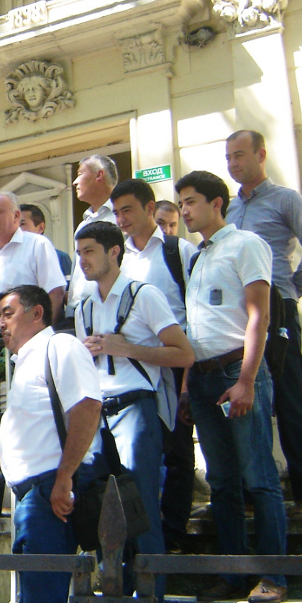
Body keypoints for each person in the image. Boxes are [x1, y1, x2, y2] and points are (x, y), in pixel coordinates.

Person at [176, 170, 288, 603]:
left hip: (236, 373)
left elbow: (259, 315)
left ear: (216, 202)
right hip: (204, 379)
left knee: (259, 477)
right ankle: (234, 573)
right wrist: (188, 386)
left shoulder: (246, 244)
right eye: (181, 203)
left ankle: (274, 575)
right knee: (222, 482)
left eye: (190, 201)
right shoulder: (197, 257)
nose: (184, 210)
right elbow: (196, 328)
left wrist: (246, 381)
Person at [75, 221, 194, 603]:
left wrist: (127, 349)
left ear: (114, 252)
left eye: (89, 251)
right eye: (79, 252)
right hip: (97, 413)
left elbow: (184, 354)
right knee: (100, 512)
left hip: (136, 408)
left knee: (140, 511)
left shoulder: (144, 295)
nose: (82, 260)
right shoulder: (84, 306)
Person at [0, 285, 101, 603]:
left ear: (37, 312)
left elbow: (87, 407)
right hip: (30, 496)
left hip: (48, 491)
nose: (0, 323)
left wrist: (64, 478)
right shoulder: (26, 360)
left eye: (8, 313)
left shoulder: (61, 347)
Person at [225, 130, 302, 520]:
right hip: (238, 313)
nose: (233, 164)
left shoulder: (285, 199)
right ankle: (251, 494)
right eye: (229, 157)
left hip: (276, 307)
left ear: (261, 155)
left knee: (289, 396)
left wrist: (294, 286)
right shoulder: (228, 208)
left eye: (240, 155)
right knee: (247, 398)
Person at [112, 178, 198, 553]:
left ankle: (174, 530)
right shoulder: (119, 258)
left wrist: (188, 381)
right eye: (116, 213)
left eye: (127, 210)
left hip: (175, 362)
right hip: (133, 367)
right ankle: (143, 537)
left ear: (150, 208)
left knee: (178, 452)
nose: (121, 219)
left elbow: (195, 316)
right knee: (138, 456)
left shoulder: (180, 252)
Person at [0, 192, 65, 340]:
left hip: (26, 338)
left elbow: (55, 292)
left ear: (16, 215)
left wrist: (43, 337)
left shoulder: (37, 245)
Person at [65, 154, 119, 321]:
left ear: (99, 175)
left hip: (109, 311)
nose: (75, 182)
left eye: (80, 174)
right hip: (77, 312)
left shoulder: (121, 219)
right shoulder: (84, 224)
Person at [20, 203, 72, 280]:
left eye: (22, 224)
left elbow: (68, 286)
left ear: (41, 227)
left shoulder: (60, 257)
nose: (17, 230)